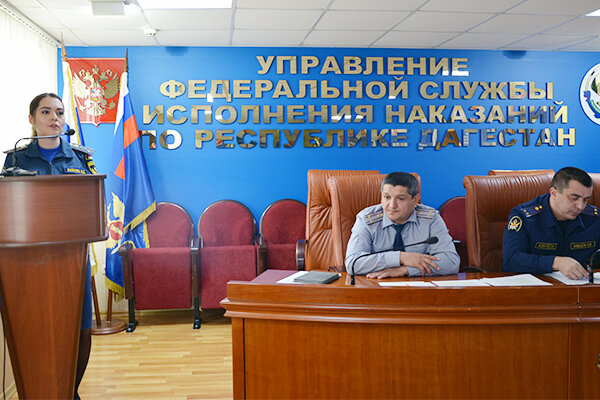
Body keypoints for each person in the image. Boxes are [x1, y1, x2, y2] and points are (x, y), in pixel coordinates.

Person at [2, 93, 97, 400]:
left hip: (72, 260)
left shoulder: (80, 158)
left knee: (81, 332)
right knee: (34, 331)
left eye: (59, 112)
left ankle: (69, 392)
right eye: (46, 112)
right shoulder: (15, 159)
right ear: (32, 119)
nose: (54, 118)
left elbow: (92, 202)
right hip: (27, 265)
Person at [345, 172, 460, 279]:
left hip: (418, 287)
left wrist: (406, 270)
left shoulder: (430, 219)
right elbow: (353, 263)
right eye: (387, 197)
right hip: (374, 285)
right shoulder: (366, 219)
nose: (392, 205)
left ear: (415, 200)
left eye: (400, 199)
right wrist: (401, 257)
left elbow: (451, 262)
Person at [502, 167, 600, 280]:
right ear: (554, 193)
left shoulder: (594, 219)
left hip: (580, 286)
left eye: (586, 200)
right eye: (574, 198)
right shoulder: (525, 217)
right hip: (535, 286)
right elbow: (511, 260)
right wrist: (556, 262)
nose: (581, 206)